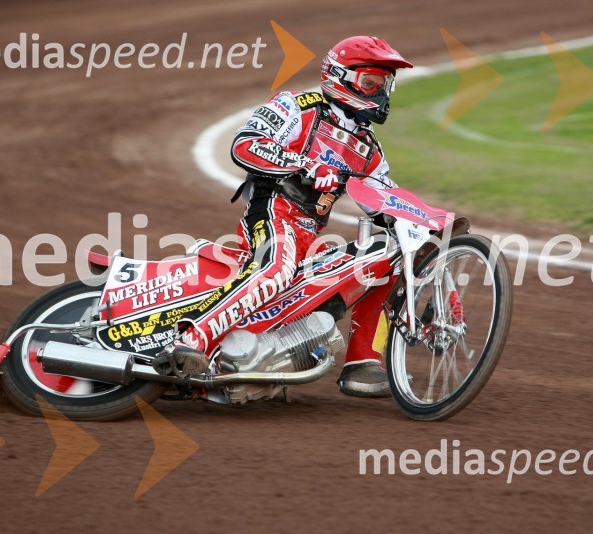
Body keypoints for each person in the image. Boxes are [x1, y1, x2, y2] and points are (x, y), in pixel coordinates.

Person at [159, 36, 413, 397]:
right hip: (272, 210)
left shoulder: (369, 149)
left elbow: (387, 202)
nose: (380, 94)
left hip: (309, 235)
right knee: (277, 268)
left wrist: (430, 233)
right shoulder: (296, 106)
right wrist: (305, 165)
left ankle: (361, 363)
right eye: (370, 83)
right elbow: (245, 144)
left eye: (384, 85)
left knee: (388, 258)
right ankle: (190, 341)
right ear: (339, 76)